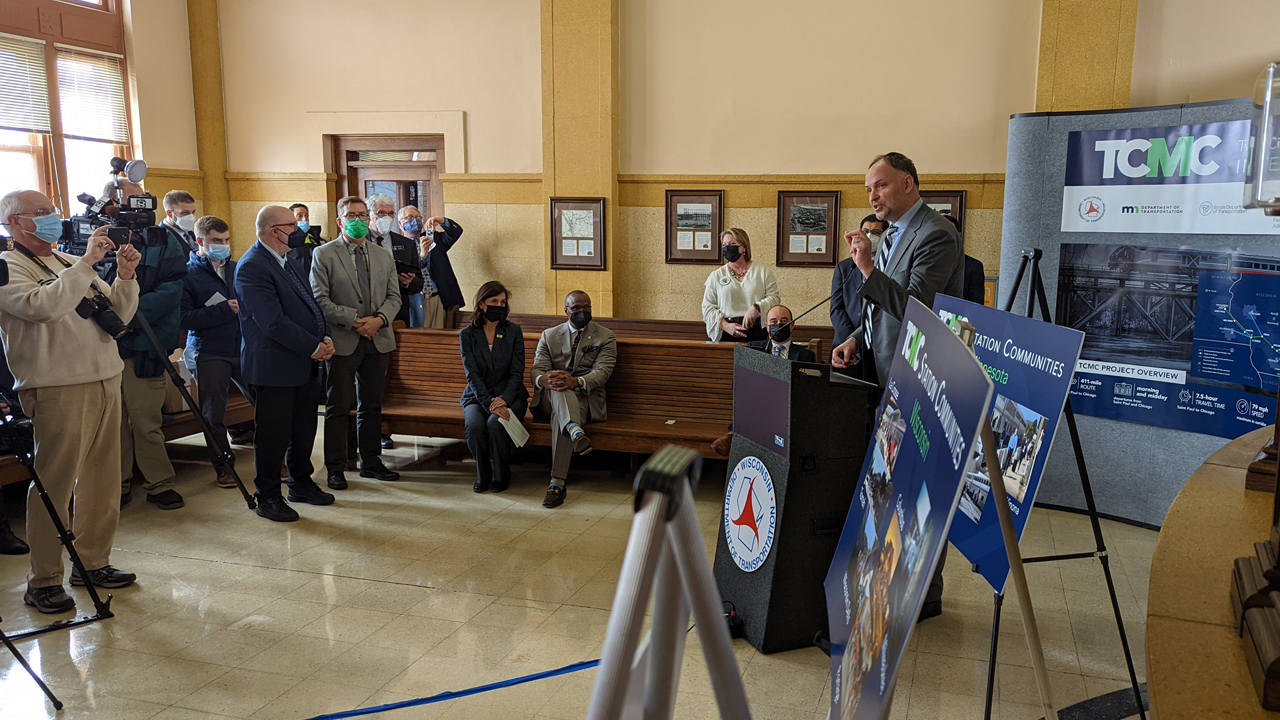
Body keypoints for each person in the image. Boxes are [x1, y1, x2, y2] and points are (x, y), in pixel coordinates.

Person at [832, 152, 963, 623]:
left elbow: (917, 310)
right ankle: (892, 579)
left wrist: (866, 269)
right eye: (868, 189)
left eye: (881, 186)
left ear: (908, 183)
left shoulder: (936, 234)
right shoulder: (891, 234)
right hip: (881, 374)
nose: (872, 196)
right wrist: (853, 340)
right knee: (890, 487)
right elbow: (879, 313)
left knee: (917, 487)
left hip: (918, 379)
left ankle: (925, 592)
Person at [0, 189, 141, 612]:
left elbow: (117, 312)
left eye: (52, 210)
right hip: (57, 385)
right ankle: (43, 579)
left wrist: (125, 275)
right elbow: (45, 307)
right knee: (54, 484)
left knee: (102, 479)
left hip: (105, 376)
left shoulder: (65, 261)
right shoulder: (8, 267)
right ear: (13, 223)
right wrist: (86, 262)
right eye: (39, 213)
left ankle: (93, 561)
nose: (51, 218)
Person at [235, 205, 337, 522]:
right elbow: (272, 322)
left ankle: (300, 482)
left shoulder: (286, 260)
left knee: (304, 429)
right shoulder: (252, 266)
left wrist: (326, 336)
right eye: (292, 225)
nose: (298, 230)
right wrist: (313, 346)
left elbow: (311, 305)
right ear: (273, 231)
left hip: (302, 362)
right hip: (274, 365)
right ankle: (267, 496)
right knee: (273, 435)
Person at [311, 196, 402, 489]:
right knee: (338, 407)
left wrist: (379, 320)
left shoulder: (382, 254)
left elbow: (395, 297)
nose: (359, 220)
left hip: (378, 338)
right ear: (340, 221)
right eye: (352, 215)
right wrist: (353, 320)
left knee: (372, 405)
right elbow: (319, 299)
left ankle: (372, 462)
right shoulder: (324, 255)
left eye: (363, 215)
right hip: (343, 339)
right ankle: (336, 467)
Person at [119, 190, 191, 511]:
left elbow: (169, 293)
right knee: (112, 424)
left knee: (145, 419)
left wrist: (121, 311)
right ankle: (117, 483)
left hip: (145, 343)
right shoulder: (103, 238)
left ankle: (159, 482)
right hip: (104, 348)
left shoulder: (164, 242)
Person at [180, 215, 249, 489]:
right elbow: (184, 319)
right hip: (209, 351)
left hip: (242, 346)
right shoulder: (187, 274)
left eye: (226, 240)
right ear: (200, 241)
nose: (223, 245)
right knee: (213, 412)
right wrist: (223, 310)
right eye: (216, 241)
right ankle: (223, 466)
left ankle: (275, 458)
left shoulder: (238, 268)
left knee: (266, 400)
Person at [531, 291, 617, 508]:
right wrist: (545, 380)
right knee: (558, 385)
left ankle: (557, 484)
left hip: (586, 399)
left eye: (586, 307)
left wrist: (576, 382)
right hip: (550, 398)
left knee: (561, 408)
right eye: (576, 308)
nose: (582, 311)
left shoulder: (605, 336)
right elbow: (537, 369)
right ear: (566, 310)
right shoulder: (549, 335)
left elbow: (603, 371)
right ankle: (574, 429)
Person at [459, 281, 527, 493]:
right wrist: (489, 402)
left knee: (496, 424)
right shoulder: (467, 335)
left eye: (503, 302)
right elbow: (472, 374)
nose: (499, 305)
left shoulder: (513, 331)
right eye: (494, 301)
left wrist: (503, 399)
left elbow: (517, 372)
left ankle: (502, 473)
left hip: (511, 395)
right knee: (475, 426)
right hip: (477, 396)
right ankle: (483, 474)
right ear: (481, 304)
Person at [701, 228, 779, 342]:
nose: (727, 248)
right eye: (724, 245)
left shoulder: (762, 271)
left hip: (756, 332)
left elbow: (775, 298)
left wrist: (757, 307)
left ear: (744, 247)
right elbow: (707, 307)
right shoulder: (716, 276)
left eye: (732, 244)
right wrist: (725, 326)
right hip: (727, 332)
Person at [831, 214, 889, 346]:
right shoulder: (845, 267)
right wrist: (852, 340)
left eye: (876, 232)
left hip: (880, 343)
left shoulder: (890, 265)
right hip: (845, 342)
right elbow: (836, 308)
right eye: (865, 232)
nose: (869, 236)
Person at [407, 208, 466, 329]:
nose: (415, 221)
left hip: (437, 298)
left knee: (439, 337)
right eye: (409, 217)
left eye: (418, 218)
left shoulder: (434, 239)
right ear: (399, 222)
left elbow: (456, 232)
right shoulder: (398, 244)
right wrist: (422, 256)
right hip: (415, 301)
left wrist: (441, 220)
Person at [941, 214, 987, 306]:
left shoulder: (974, 266)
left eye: (951, 233)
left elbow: (977, 305)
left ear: (959, 235)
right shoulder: (928, 263)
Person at [747, 305, 817, 362]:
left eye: (784, 321)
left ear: (792, 325)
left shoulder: (806, 355)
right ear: (767, 327)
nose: (779, 324)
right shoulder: (753, 349)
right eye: (773, 322)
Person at [288, 203, 326, 279]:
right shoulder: (286, 238)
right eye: (299, 216)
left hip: (316, 277)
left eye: (306, 216)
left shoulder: (315, 235)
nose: (304, 219)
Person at [161, 190, 200, 255]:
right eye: (185, 213)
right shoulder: (161, 237)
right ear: (170, 213)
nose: (191, 217)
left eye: (193, 212)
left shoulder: (192, 234)